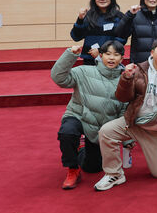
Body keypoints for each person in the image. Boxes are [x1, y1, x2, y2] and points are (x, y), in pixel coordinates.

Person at [95, 38, 157, 191]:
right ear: (152, 52)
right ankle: (114, 174)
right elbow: (123, 97)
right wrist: (126, 78)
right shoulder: (138, 70)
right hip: (133, 123)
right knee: (106, 131)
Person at [52, 42, 126, 189]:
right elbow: (59, 78)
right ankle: (73, 169)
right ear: (101, 55)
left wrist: (126, 138)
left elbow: (124, 110)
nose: (111, 58)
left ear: (122, 58)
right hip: (78, 115)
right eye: (108, 54)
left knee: (92, 167)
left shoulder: (124, 81)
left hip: (100, 127)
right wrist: (70, 55)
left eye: (116, 55)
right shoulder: (84, 71)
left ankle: (81, 148)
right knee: (67, 132)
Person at [70, 0, 125, 66]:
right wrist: (80, 20)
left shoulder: (119, 17)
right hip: (89, 59)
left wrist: (101, 52)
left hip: (110, 60)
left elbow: (121, 39)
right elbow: (76, 37)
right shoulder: (88, 15)